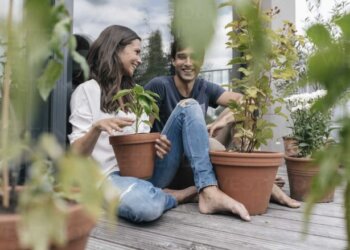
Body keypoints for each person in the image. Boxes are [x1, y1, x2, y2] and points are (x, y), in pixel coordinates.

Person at [68, 25, 252, 224]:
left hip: (149, 172)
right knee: (146, 206)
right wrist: (97, 127)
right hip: (109, 177)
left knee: (189, 106)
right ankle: (177, 195)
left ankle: (208, 190)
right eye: (136, 52)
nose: (140, 59)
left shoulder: (137, 94)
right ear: (116, 49)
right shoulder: (86, 91)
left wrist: (158, 142)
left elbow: (143, 139)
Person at [145, 40, 301, 209]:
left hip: (196, 163)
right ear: (173, 61)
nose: (188, 63)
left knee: (239, 115)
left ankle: (252, 177)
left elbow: (246, 101)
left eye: (194, 58)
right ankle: (260, 183)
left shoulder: (204, 87)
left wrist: (222, 120)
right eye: (182, 57)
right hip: (168, 166)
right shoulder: (160, 86)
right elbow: (141, 131)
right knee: (193, 110)